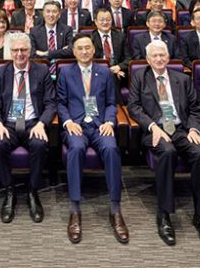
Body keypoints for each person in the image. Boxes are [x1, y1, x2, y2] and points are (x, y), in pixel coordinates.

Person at [127, 41, 200, 247]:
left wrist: (194, 129)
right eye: (154, 56)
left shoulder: (182, 79)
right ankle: (164, 214)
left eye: (162, 55)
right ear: (148, 59)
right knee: (167, 152)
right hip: (156, 130)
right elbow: (134, 107)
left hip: (181, 129)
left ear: (168, 58)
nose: (158, 59)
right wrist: (152, 127)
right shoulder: (140, 77)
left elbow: (196, 108)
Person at [57, 35, 127, 244]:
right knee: (76, 149)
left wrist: (108, 121)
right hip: (76, 125)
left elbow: (111, 103)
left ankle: (115, 209)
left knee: (112, 149)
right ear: (74, 51)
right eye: (80, 48)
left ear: (94, 49)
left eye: (88, 48)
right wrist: (68, 121)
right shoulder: (65, 72)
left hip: (99, 125)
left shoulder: (104, 71)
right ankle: (74, 209)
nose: (85, 51)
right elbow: (60, 103)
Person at [0, 33, 54, 224]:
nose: (19, 54)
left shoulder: (41, 71)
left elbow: (51, 103)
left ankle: (33, 191)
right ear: (10, 52)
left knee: (40, 144)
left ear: (30, 51)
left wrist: (42, 123)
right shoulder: (1, 72)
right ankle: (9, 191)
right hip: (8, 124)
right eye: (15, 50)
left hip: (33, 123)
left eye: (23, 50)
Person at [91, 8, 129, 83]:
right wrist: (109, 71)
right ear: (96, 22)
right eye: (102, 20)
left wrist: (119, 67)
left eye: (108, 20)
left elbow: (128, 58)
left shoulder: (120, 36)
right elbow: (90, 61)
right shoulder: (90, 38)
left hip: (118, 72)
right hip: (97, 73)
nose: (105, 22)